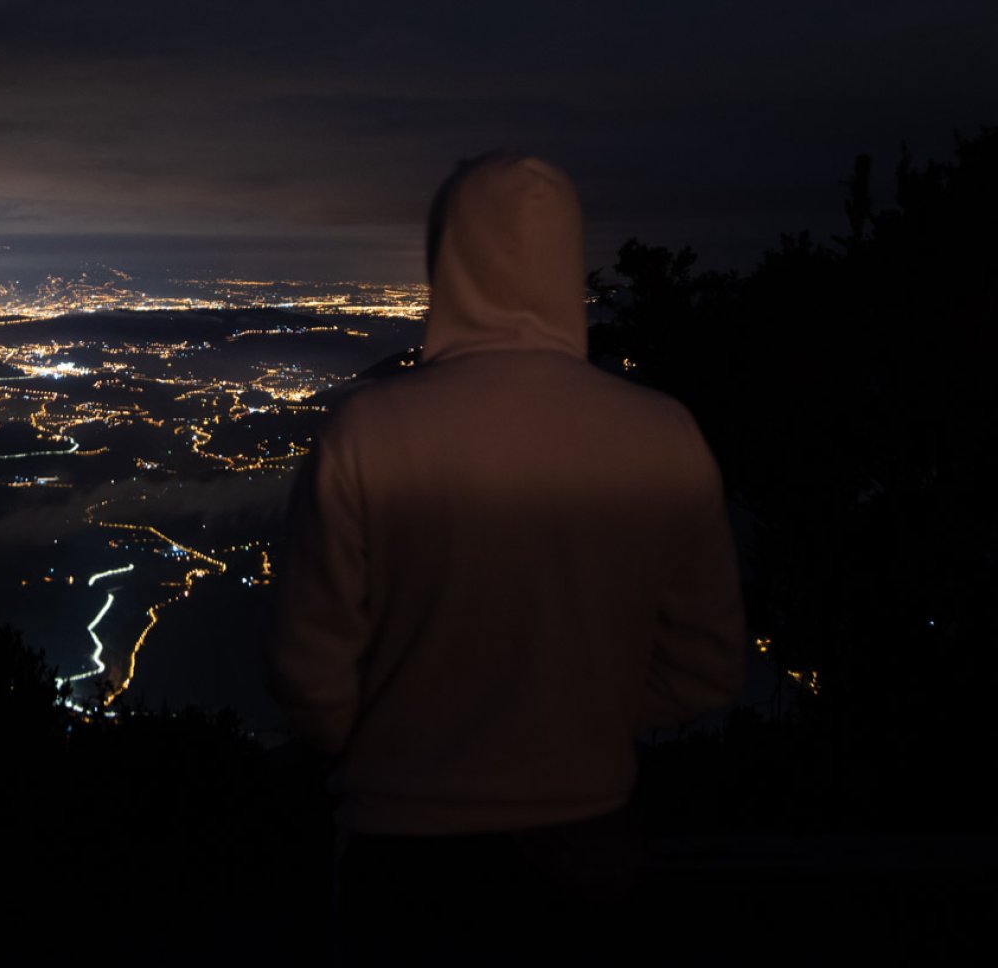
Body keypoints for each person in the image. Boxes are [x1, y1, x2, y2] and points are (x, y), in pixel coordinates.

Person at [266, 151, 745, 963]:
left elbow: (307, 666)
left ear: (446, 258)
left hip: (404, 844)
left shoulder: (368, 430)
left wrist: (386, 740)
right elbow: (708, 665)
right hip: (591, 840)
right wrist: (577, 723)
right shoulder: (663, 433)